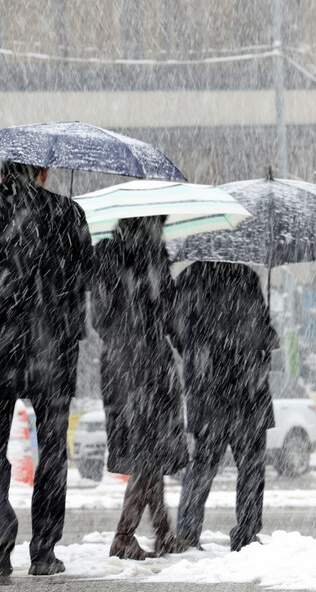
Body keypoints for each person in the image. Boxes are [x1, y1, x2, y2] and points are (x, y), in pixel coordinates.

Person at [0, 161, 93, 578]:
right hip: (52, 351)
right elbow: (88, 274)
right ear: (42, 172)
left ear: (3, 171)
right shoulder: (67, 213)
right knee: (52, 452)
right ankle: (44, 550)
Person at [91, 215, 190, 560]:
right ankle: (124, 534)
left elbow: (99, 319)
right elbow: (171, 317)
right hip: (149, 364)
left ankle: (162, 533)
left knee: (149, 451)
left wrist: (123, 334)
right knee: (150, 452)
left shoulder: (105, 256)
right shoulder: (154, 260)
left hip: (119, 365)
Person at [173, 261, 278, 552]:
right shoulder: (246, 277)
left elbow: (177, 331)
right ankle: (246, 531)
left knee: (204, 465)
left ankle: (188, 532)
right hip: (247, 389)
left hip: (210, 392)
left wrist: (200, 355)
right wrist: (266, 338)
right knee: (251, 468)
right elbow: (261, 332)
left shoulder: (190, 278)